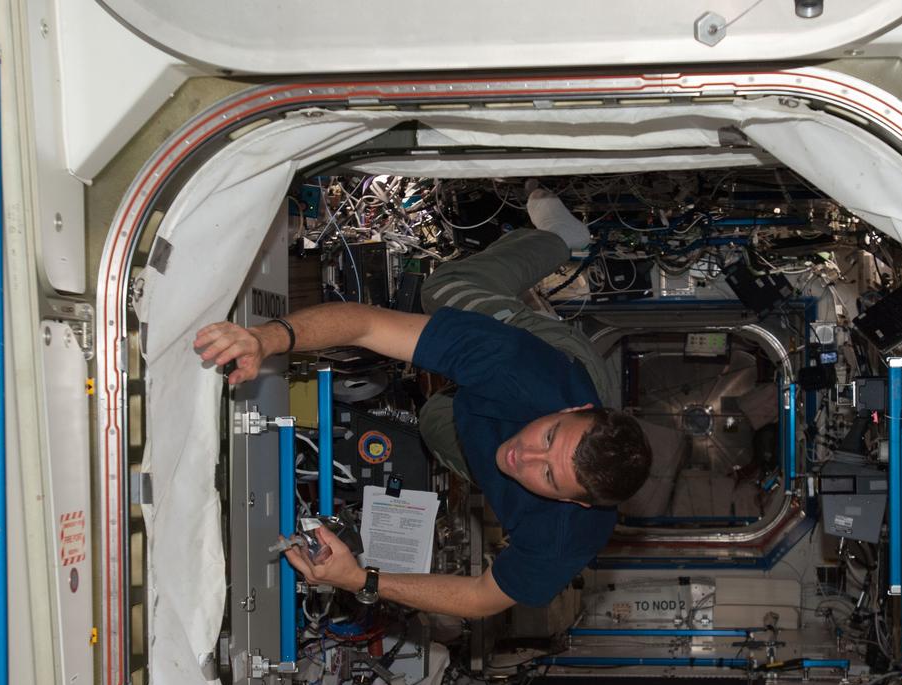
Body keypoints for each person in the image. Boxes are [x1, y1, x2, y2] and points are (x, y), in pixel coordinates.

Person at [194, 186, 652, 618]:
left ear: (578, 504)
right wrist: (264, 338)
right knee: (445, 289)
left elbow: (480, 598)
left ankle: (469, 394)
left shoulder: (564, 538)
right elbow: (367, 326)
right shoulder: (516, 365)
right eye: (548, 437)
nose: (524, 455)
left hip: (485, 409)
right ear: (570, 413)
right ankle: (560, 238)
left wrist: (359, 579)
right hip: (554, 364)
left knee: (435, 418)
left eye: (548, 475)